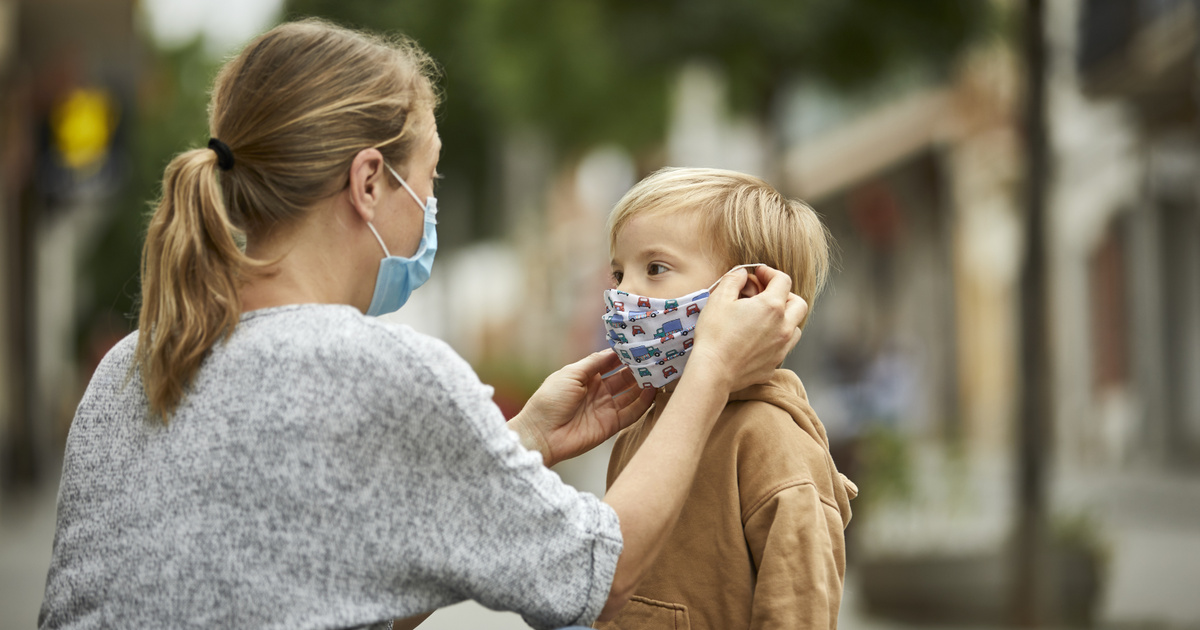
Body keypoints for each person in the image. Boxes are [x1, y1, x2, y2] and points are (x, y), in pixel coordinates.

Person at [37, 20, 810, 630]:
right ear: (369, 181)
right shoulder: (377, 367)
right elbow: (594, 575)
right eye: (429, 179)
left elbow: (319, 600)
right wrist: (711, 366)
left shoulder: (133, 364)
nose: (429, 211)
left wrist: (523, 445)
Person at [597, 167, 858, 629]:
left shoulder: (773, 441)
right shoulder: (643, 429)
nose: (622, 294)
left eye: (654, 268)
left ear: (749, 294)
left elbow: (797, 613)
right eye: (619, 272)